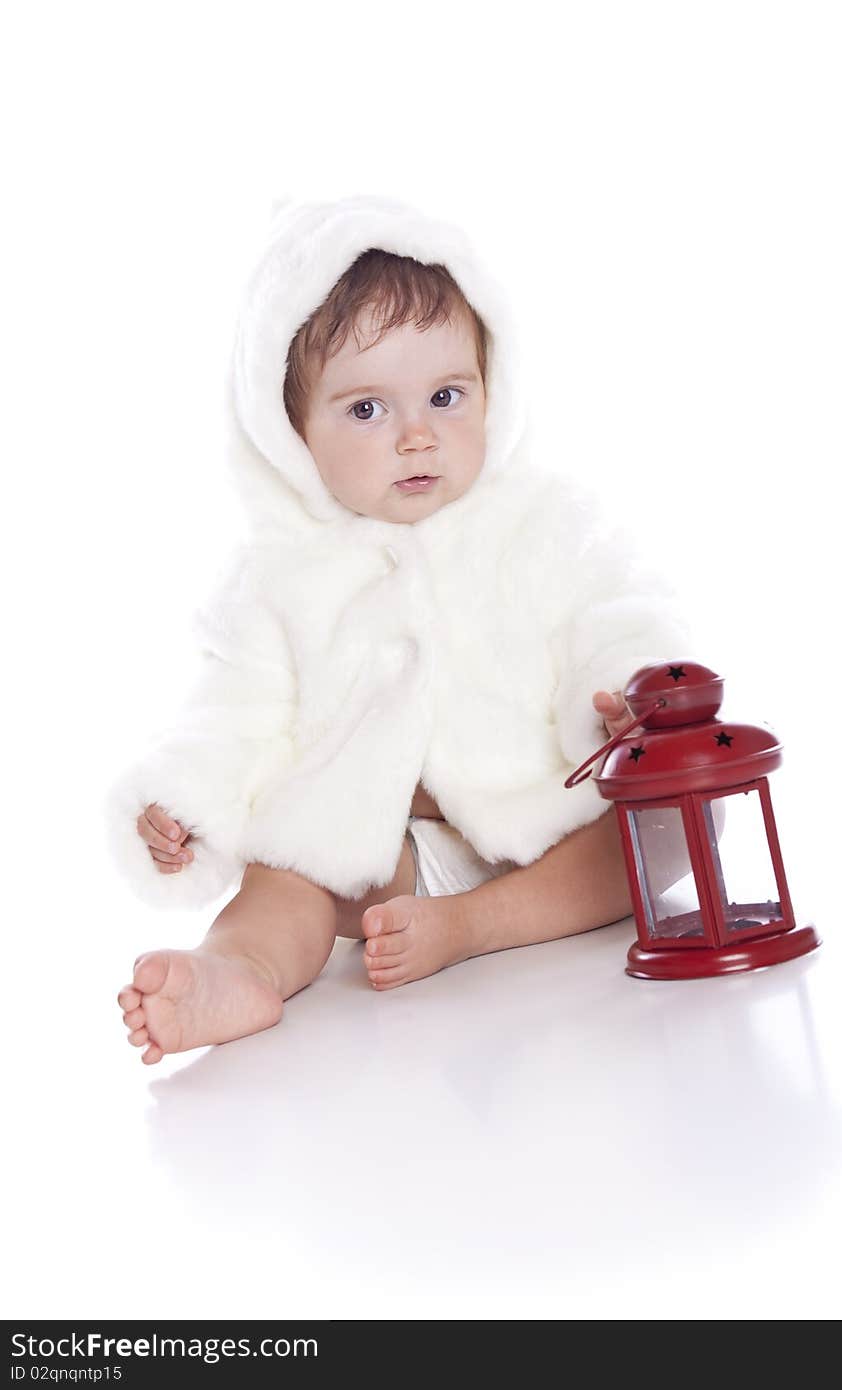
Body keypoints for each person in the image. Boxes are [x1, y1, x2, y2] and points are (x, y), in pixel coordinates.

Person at [108, 193, 696, 1065]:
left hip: (545, 816)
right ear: (290, 434)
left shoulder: (544, 521)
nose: (418, 436)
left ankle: (476, 926)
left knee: (674, 825)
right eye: (367, 411)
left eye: (446, 395)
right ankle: (235, 974)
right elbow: (231, 713)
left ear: (493, 387)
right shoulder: (279, 575)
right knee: (285, 877)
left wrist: (625, 701)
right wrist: (185, 804)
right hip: (383, 859)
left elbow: (618, 614)